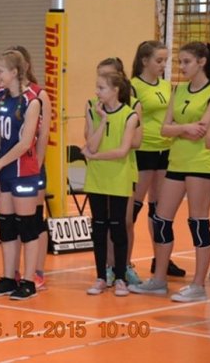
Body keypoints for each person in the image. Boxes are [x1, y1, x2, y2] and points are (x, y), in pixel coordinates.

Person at [130, 41, 210, 302]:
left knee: (198, 222)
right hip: (176, 161)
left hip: (201, 163)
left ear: (202, 62)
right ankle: (159, 280)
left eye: (186, 62)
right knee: (161, 219)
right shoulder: (177, 89)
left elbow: (204, 131)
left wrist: (181, 128)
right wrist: (184, 128)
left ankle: (198, 285)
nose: (181, 67)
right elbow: (165, 129)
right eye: (180, 62)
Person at [0, 50, 41, 300]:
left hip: (23, 172)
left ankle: (29, 281)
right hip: (3, 172)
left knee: (27, 227)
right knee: (6, 226)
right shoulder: (2, 96)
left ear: (15, 72)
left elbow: (25, 143)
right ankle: (8, 278)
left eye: (0, 71)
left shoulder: (32, 101)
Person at [130, 41, 186, 279]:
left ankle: (161, 259)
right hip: (144, 150)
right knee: (134, 207)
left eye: (165, 60)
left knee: (159, 208)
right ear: (145, 61)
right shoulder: (133, 86)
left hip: (166, 150)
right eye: (159, 60)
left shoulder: (166, 85)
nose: (163, 65)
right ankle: (124, 261)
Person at [81, 68, 139, 296]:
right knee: (98, 227)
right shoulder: (93, 111)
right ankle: (100, 277)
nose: (97, 92)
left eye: (101, 88)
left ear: (115, 90)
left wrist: (95, 157)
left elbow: (123, 151)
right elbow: (92, 144)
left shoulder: (130, 115)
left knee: (118, 227)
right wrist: (103, 119)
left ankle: (121, 277)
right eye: (97, 87)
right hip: (97, 178)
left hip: (118, 178)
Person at [6, 45, 52, 291]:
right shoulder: (5, 93)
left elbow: (43, 136)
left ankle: (36, 272)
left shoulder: (39, 94)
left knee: (34, 219)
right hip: (10, 168)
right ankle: (13, 271)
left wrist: (37, 165)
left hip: (31, 166)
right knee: (12, 221)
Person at [95, 58, 143, 287]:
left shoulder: (132, 107)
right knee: (102, 223)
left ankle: (125, 267)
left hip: (124, 168)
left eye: (105, 79)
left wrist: (110, 148)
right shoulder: (93, 106)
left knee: (124, 221)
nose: (98, 87)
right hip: (100, 172)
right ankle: (108, 267)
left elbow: (135, 142)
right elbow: (89, 139)